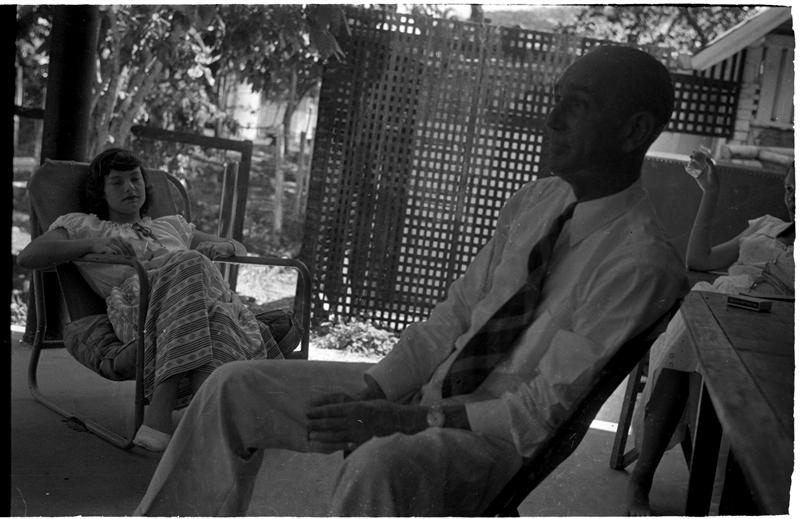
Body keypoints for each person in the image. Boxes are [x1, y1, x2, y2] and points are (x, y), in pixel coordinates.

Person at [134, 45, 687, 516]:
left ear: (635, 130)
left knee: (383, 460)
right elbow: (453, 316)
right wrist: (376, 391)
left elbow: (539, 412)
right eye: (557, 98)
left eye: (578, 104)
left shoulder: (640, 263)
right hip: (425, 394)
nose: (553, 118)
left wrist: (407, 419)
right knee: (232, 386)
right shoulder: (537, 201)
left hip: (488, 439)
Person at [17, 148, 283, 452]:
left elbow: (237, 246)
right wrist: (91, 245)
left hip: (198, 309)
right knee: (192, 266)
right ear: (100, 191)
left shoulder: (172, 225)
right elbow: (29, 256)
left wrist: (227, 247)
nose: (130, 187)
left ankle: (193, 422)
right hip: (142, 311)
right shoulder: (84, 226)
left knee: (216, 309)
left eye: (135, 179)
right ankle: (171, 404)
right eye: (117, 182)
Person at [625, 158, 795, 516]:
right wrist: (710, 192)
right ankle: (648, 481)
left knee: (695, 362)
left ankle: (671, 485)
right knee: (690, 346)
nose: (793, 198)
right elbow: (699, 259)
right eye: (789, 189)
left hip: (763, 333)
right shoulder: (766, 225)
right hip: (716, 304)